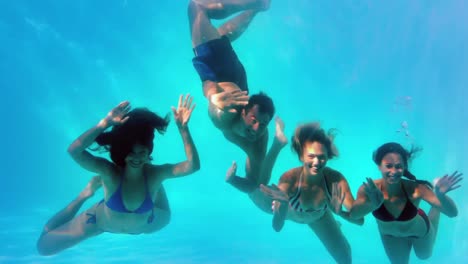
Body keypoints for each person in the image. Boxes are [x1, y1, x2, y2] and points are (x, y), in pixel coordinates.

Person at [37, 94, 200, 256]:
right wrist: (104, 124)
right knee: (44, 248)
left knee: (162, 203)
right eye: (131, 153)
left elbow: (193, 166)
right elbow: (74, 151)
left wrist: (183, 130)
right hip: (101, 222)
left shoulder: (155, 173)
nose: (136, 158)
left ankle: (151, 185)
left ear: (149, 149)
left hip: (147, 224)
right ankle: (84, 195)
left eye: (142, 152)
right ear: (122, 151)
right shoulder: (109, 172)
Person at [188, 0, 280, 193]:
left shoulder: (258, 142)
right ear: (244, 111)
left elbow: (254, 183)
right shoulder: (228, 112)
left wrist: (233, 180)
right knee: (197, 7)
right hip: (217, 71)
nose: (256, 129)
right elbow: (209, 84)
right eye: (254, 120)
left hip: (237, 76)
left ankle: (257, 8)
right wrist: (214, 98)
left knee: (222, 38)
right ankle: (253, 3)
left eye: (262, 124)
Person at [260, 123, 362, 264]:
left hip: (318, 217)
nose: (316, 162)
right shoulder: (290, 179)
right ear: (301, 156)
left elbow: (359, 221)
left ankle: (335, 225)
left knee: (345, 258)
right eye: (311, 156)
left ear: (327, 157)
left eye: (322, 157)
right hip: (288, 212)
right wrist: (282, 203)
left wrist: (339, 212)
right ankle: (277, 143)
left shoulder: (335, 179)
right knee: (252, 187)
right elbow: (277, 226)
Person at [350, 142, 463, 264]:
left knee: (424, 256)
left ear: (404, 167)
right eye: (388, 166)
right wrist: (372, 204)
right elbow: (354, 215)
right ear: (379, 166)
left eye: (399, 166)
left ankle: (435, 207)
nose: (393, 171)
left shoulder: (416, 189)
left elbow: (452, 213)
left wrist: (441, 196)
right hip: (390, 236)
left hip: (419, 231)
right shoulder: (369, 190)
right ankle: (436, 202)